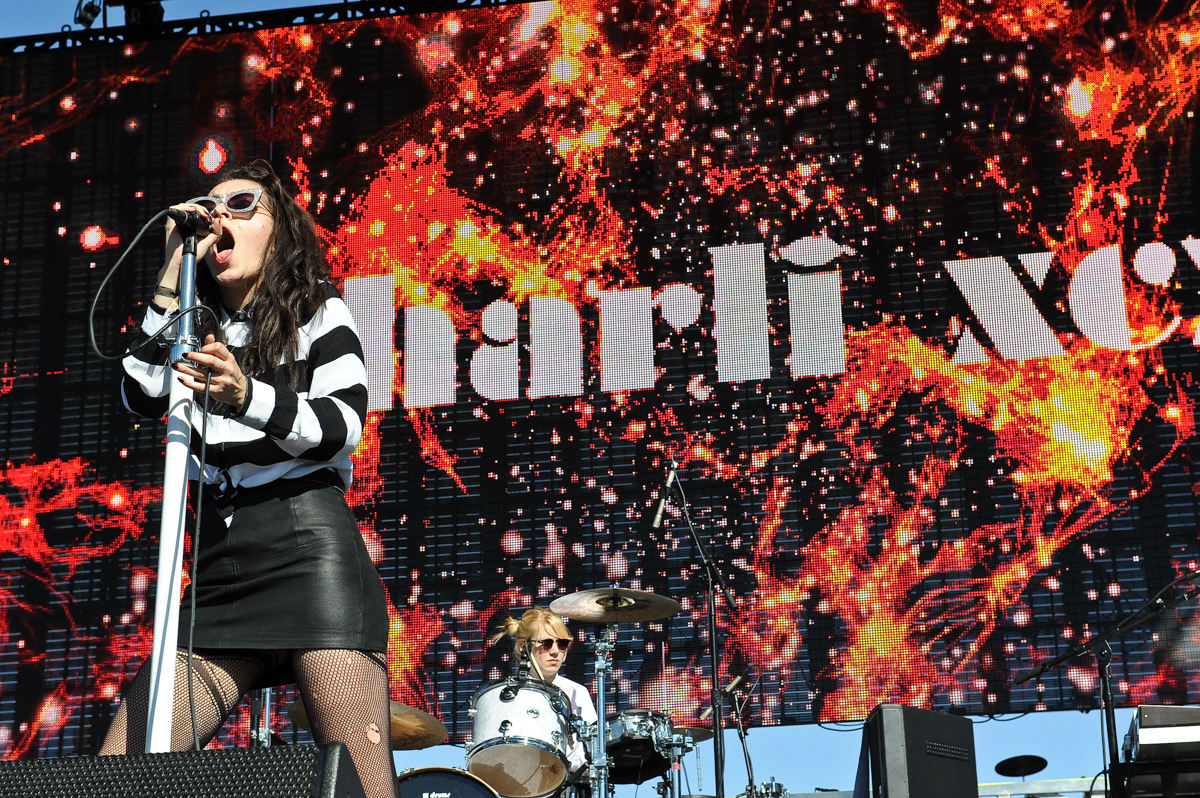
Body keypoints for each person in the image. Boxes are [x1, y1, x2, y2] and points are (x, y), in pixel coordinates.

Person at [102, 159, 397, 798]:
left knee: (361, 784)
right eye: (208, 207)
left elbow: (342, 424)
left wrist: (246, 397)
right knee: (121, 769)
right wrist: (170, 274)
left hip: (306, 552)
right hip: (216, 567)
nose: (218, 217)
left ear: (280, 231)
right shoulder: (192, 322)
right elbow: (138, 391)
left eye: (240, 204)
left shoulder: (320, 310)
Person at [491, 607, 597, 791]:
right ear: (524, 646)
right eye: (547, 643)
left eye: (562, 643)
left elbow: (590, 758)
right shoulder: (504, 695)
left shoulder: (577, 693)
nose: (555, 651)